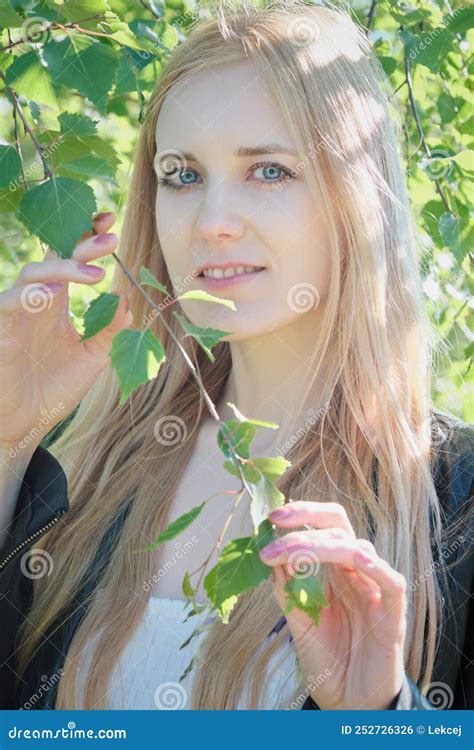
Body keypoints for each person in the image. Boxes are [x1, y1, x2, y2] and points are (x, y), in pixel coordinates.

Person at [0, 1, 472, 711]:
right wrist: (6, 435)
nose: (212, 223)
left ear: (356, 200)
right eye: (182, 175)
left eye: (270, 171)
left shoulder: (454, 503)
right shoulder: (84, 465)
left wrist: (378, 717)